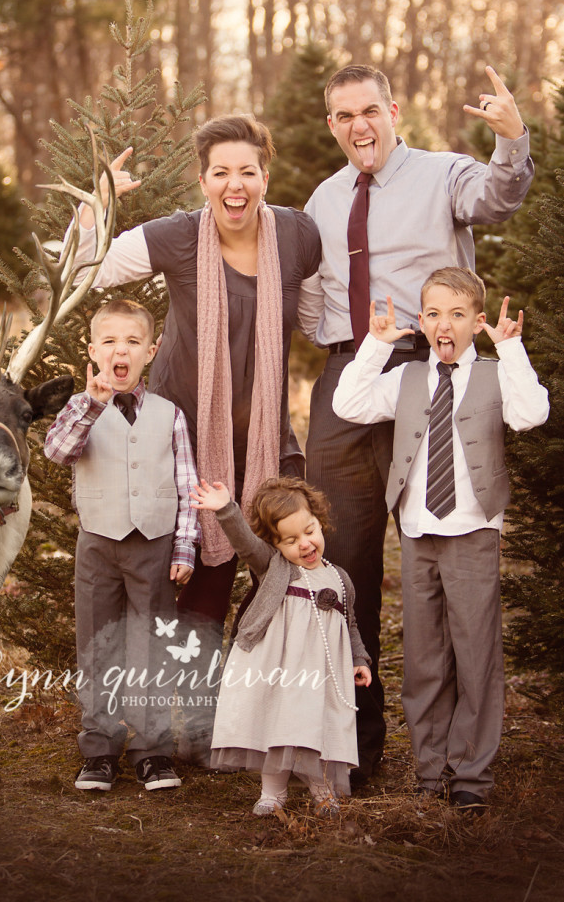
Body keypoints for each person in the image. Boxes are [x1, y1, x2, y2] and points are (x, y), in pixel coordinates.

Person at [297, 63, 534, 787]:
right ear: (331, 125)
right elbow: (311, 294)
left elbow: (497, 199)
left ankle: (459, 759)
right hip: (351, 375)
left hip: (431, 372)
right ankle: (354, 749)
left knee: (444, 560)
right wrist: (333, 350)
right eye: (342, 116)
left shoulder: (441, 174)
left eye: (369, 110)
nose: (358, 126)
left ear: (392, 109)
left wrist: (511, 138)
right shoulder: (323, 198)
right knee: (340, 559)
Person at [71, 115, 322, 764]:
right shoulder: (179, 237)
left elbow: (322, 316)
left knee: (268, 578)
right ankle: (179, 730)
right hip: (181, 442)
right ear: (202, 180)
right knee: (191, 585)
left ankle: (257, 721)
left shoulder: (294, 236)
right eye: (220, 173)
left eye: (247, 171)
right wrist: (100, 204)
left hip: (264, 440)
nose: (234, 185)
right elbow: (87, 267)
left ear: (265, 176)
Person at [332, 267, 549, 813]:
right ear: (422, 322)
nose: (444, 324)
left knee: (475, 652)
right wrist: (375, 346)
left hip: (473, 529)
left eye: (457, 314)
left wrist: (513, 350)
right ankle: (431, 769)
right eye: (433, 313)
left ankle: (471, 770)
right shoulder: (406, 380)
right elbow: (347, 406)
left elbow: (531, 415)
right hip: (418, 531)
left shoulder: (495, 375)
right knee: (425, 656)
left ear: (477, 321)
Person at [44, 298, 200, 793]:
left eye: (132, 342)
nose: (121, 351)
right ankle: (100, 749)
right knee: (98, 645)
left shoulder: (169, 414)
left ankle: (152, 751)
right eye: (110, 341)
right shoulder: (81, 407)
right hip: (98, 544)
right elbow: (58, 452)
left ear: (150, 351)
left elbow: (186, 485)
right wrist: (91, 405)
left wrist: (184, 549)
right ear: (93, 350)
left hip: (153, 546)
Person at [190, 476, 371, 816]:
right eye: (290, 540)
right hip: (280, 668)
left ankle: (323, 790)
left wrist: (359, 659)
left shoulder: (339, 578)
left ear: (320, 522)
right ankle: (273, 792)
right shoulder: (275, 568)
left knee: (320, 726)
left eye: (309, 531)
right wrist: (227, 510)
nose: (304, 543)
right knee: (277, 725)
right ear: (275, 544)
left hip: (322, 673)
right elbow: (245, 544)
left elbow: (351, 625)